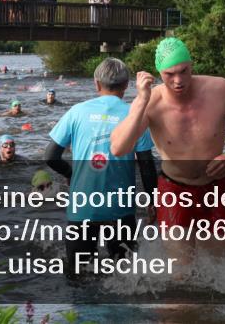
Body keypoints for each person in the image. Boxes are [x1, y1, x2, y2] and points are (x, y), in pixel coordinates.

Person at [110, 37, 225, 263]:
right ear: (159, 73)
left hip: (215, 189)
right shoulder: (151, 101)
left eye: (183, 71)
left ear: (191, 65)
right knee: (180, 276)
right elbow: (118, 148)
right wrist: (141, 100)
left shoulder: (220, 88)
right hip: (174, 191)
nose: (178, 80)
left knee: (219, 270)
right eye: (169, 74)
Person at [44, 58, 158, 275]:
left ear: (96, 84)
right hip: (121, 208)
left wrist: (72, 172)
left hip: (83, 207)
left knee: (78, 277)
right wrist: (153, 201)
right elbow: (146, 164)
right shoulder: (135, 116)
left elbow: (50, 156)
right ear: (126, 86)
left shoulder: (76, 112)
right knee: (125, 275)